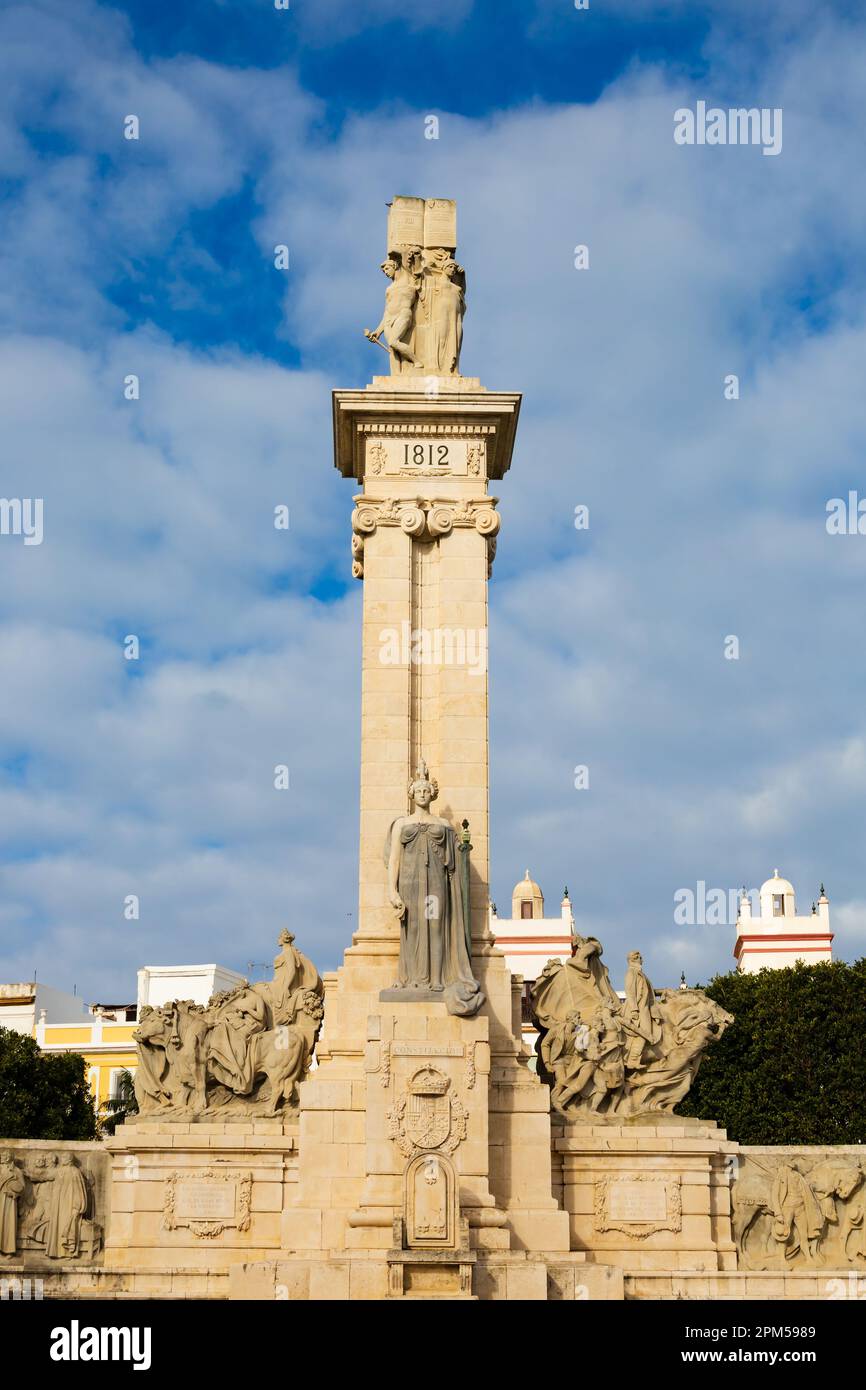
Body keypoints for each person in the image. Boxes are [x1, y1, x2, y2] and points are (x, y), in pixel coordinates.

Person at [384, 759, 483, 1017]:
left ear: (432, 794)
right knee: (413, 928)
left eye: (426, 791)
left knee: (437, 926)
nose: (422, 794)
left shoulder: (445, 826)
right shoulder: (401, 825)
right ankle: (412, 979)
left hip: (437, 883)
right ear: (412, 794)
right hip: (410, 882)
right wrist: (391, 890)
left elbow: (454, 867)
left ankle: (438, 979)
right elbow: (393, 858)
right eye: (418, 791)